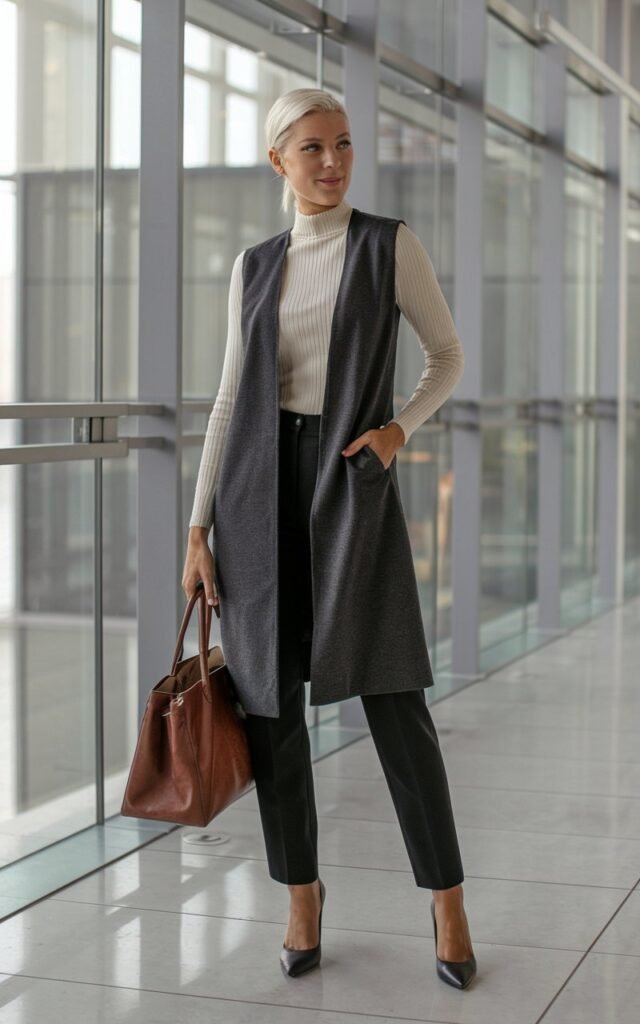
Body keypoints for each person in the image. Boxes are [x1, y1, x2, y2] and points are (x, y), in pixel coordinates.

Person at [182, 88, 476, 990]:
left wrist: (395, 432)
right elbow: (233, 398)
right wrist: (198, 526)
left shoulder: (389, 245)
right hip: (256, 490)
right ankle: (300, 894)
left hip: (352, 483)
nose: (333, 162)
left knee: (394, 698)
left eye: (344, 145)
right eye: (312, 148)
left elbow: (447, 355)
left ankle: (447, 900)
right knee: (271, 709)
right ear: (279, 159)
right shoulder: (256, 265)